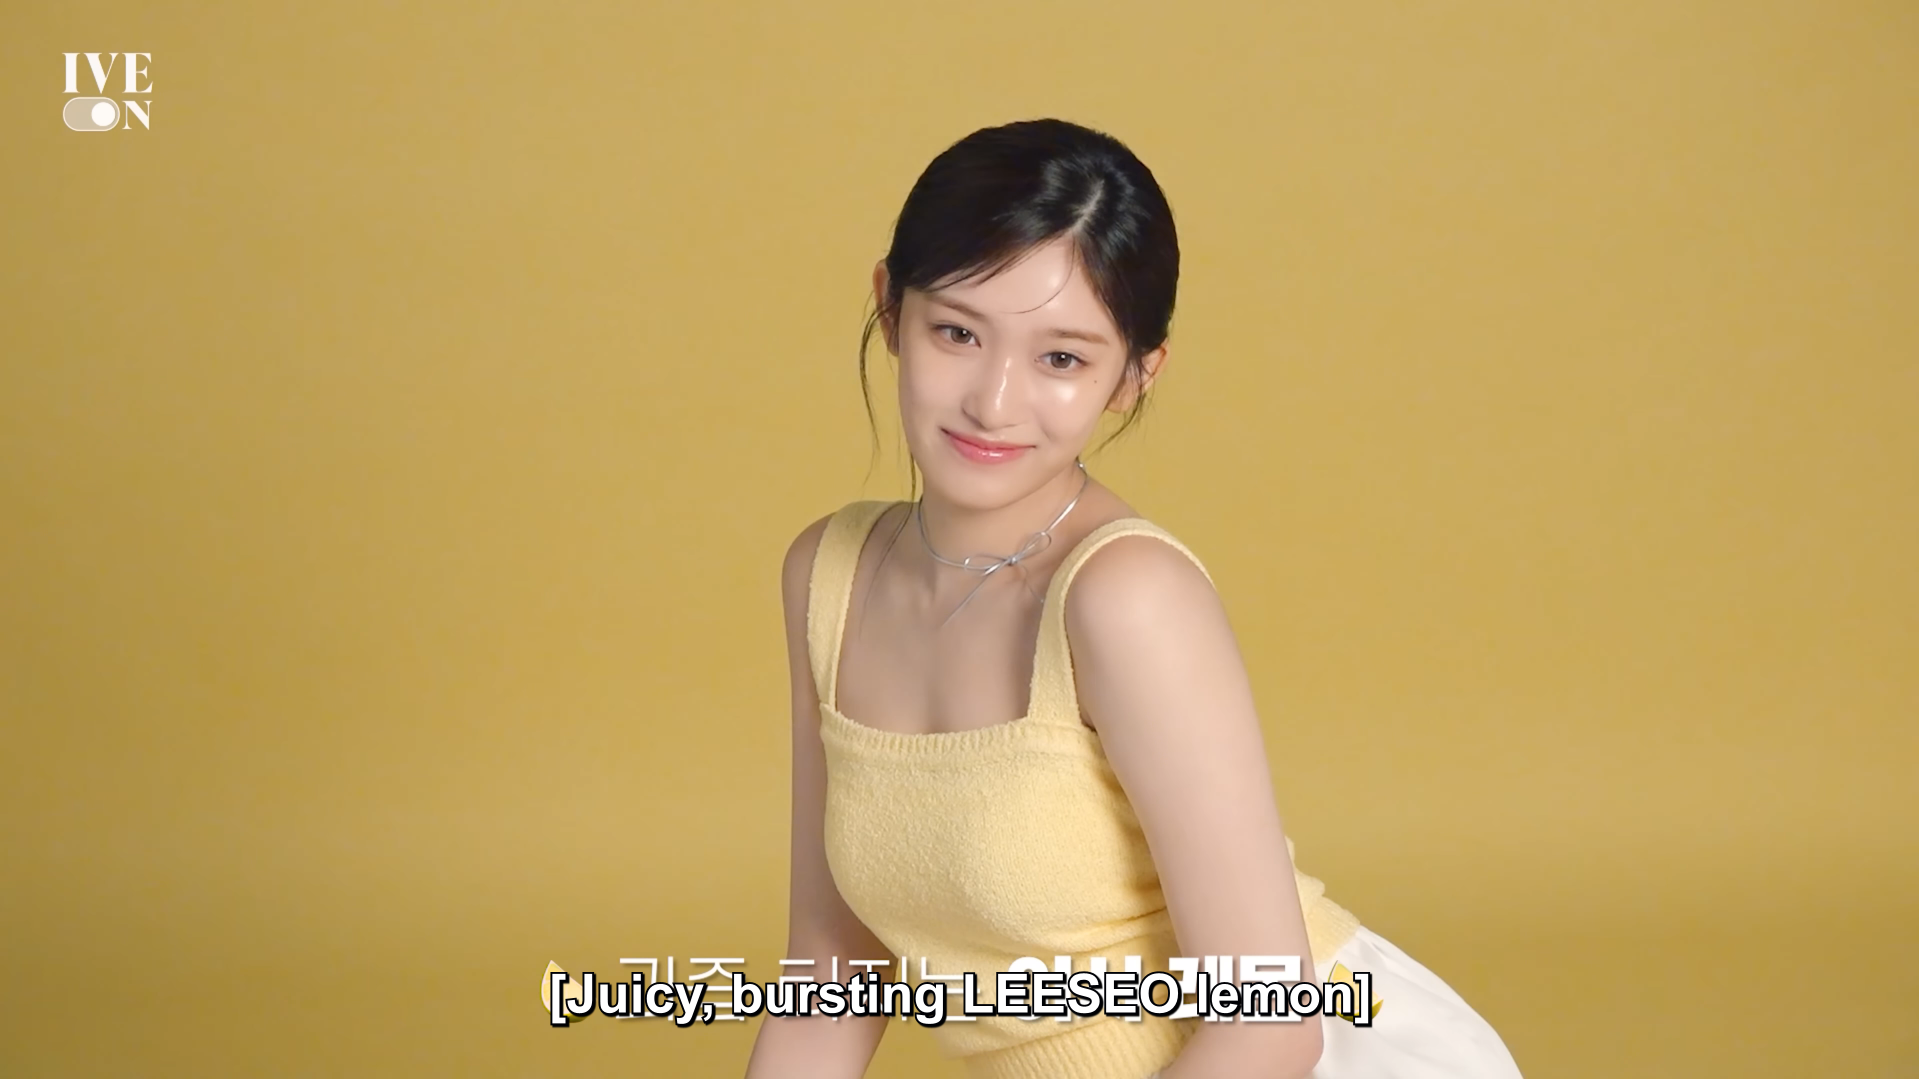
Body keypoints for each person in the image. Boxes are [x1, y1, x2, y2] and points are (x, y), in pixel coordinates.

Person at [744, 118, 1523, 1079]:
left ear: (1134, 376)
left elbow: (1272, 1025)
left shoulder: (1123, 597)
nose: (993, 400)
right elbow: (831, 974)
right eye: (957, 332)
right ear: (889, 307)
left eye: (1061, 359)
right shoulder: (828, 576)